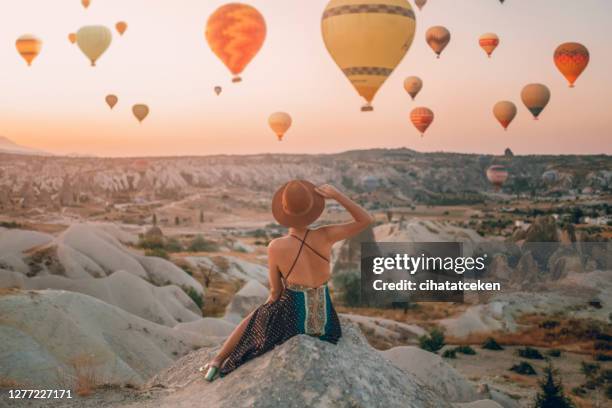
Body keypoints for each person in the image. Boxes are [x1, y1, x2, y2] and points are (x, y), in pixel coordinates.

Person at [202, 180, 374, 381]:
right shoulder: (326, 235)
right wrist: (337, 195)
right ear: (312, 209)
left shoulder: (276, 246)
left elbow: (275, 293)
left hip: (294, 323)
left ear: (284, 210)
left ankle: (217, 360)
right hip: (328, 324)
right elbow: (365, 220)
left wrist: (264, 313)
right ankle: (217, 359)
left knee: (257, 315)